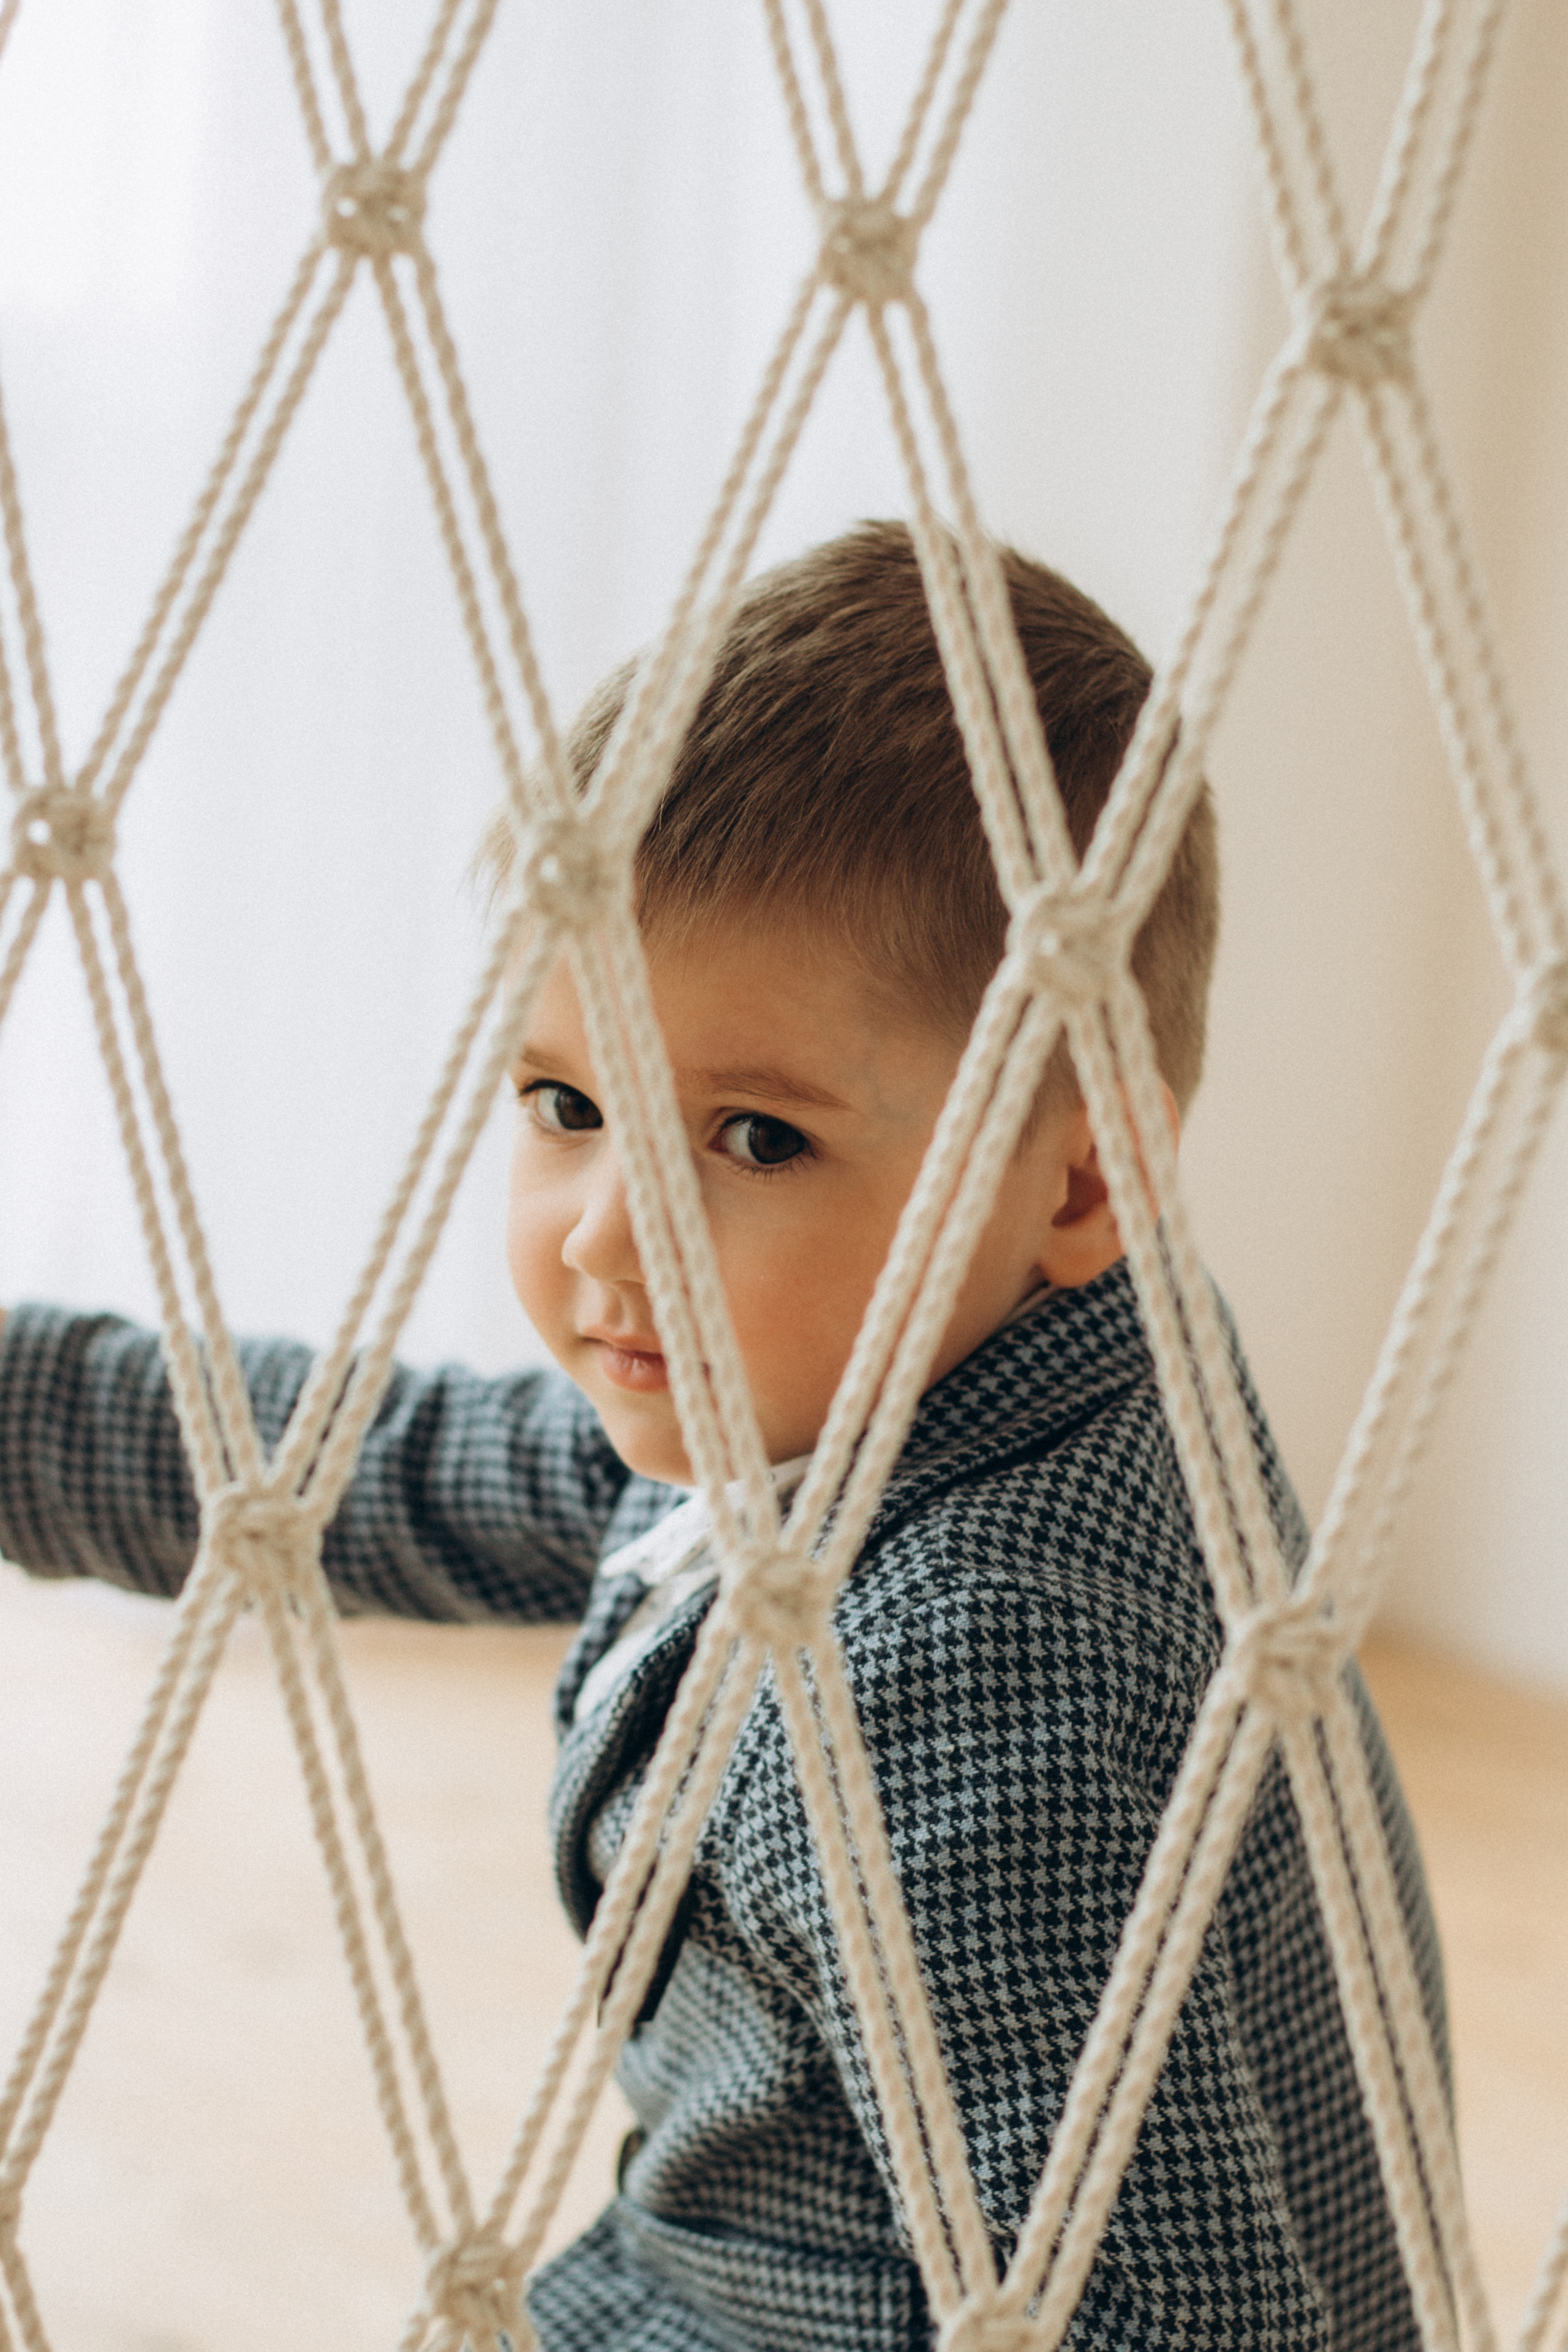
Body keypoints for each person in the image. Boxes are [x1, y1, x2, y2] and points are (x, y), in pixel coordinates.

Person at [0, 522, 1446, 2352]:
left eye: (753, 1139)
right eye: (564, 1102)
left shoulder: (979, 1683)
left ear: (1083, 1173)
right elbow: (396, 1469)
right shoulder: (967, 1366)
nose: (609, 1233)